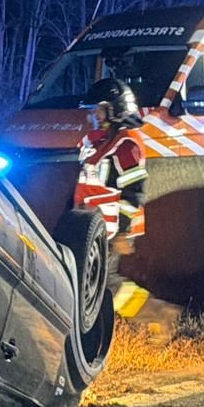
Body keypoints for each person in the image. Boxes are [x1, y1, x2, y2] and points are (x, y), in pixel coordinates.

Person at [75, 78, 150, 316]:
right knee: (93, 281)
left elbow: (134, 192)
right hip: (91, 224)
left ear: (114, 110)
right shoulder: (93, 141)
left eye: (98, 109)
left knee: (104, 282)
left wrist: (122, 232)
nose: (94, 114)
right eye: (92, 109)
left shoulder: (127, 144)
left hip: (111, 228)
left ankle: (151, 314)